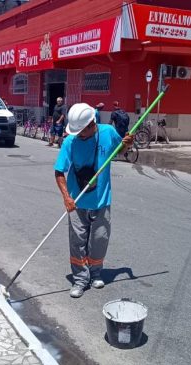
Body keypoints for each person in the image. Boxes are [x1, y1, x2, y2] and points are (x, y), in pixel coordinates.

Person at [54, 103, 134, 298]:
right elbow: (59, 171)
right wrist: (66, 197)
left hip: (101, 200)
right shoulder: (70, 142)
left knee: (99, 239)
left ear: (92, 124)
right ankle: (80, 279)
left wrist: (127, 144)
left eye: (82, 131)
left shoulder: (108, 132)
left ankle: (96, 273)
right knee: (77, 242)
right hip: (77, 201)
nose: (79, 135)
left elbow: (120, 151)